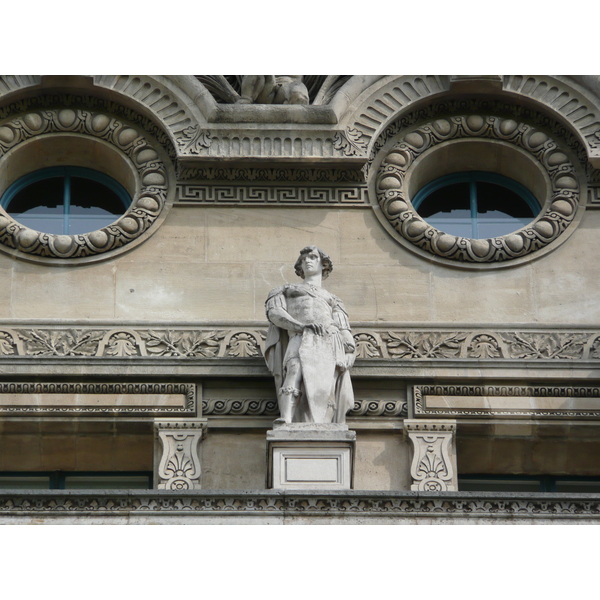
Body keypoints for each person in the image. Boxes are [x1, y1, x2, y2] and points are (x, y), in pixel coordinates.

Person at [264, 246, 355, 423]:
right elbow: (275, 314)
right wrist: (301, 326)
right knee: (294, 370)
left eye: (313, 257)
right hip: (300, 335)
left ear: (324, 265)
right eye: (303, 258)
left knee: (327, 385)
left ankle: (325, 424)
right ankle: (286, 418)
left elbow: (344, 327)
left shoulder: (333, 298)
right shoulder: (284, 290)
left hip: (329, 339)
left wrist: (350, 351)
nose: (307, 260)